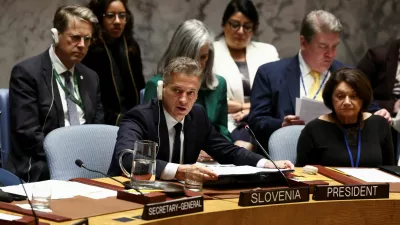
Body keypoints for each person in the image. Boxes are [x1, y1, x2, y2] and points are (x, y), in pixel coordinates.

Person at [108, 57, 293, 180]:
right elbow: (127, 159)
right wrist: (179, 171)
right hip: (128, 195)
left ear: (197, 95)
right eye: (177, 91)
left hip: (176, 197)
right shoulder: (139, 117)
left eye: (190, 93)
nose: (183, 100)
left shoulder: (197, 116)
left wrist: (266, 163)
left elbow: (227, 150)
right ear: (161, 89)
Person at [248, 10, 390, 153]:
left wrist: (380, 114)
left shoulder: (349, 74)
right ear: (303, 43)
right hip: (288, 156)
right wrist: (282, 124)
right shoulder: (270, 74)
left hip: (339, 156)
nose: (331, 54)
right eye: (323, 46)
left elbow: (370, 109)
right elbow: (256, 122)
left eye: (334, 46)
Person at [7, 5, 104, 182]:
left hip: (84, 163)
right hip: (41, 163)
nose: (82, 45)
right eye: (75, 37)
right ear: (56, 35)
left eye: (87, 39)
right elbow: (27, 134)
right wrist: (65, 158)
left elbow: (97, 125)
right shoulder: (27, 73)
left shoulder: (91, 77)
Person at [143, 19, 232, 144]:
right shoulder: (157, 84)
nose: (198, 65)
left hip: (211, 159)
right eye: (192, 57)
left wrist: (214, 149)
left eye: (203, 57)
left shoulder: (219, 84)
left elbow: (223, 133)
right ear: (179, 55)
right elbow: (147, 135)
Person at [213, 0, 279, 149]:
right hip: (227, 121)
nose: (241, 31)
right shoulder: (211, 52)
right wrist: (247, 106)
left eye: (247, 26)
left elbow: (276, 95)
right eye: (235, 24)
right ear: (224, 24)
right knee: (242, 147)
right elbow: (212, 100)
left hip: (261, 119)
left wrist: (251, 110)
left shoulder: (267, 52)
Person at [296, 68, 394, 167]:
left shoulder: (379, 125)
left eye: (354, 96)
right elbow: (301, 175)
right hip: (330, 183)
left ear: (363, 98)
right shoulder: (313, 129)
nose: (347, 102)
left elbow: (391, 171)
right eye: (340, 96)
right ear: (330, 98)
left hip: (375, 182)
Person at [83, 0, 145, 125]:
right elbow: (89, 98)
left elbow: (140, 87)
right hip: (103, 122)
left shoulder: (131, 46)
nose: (117, 21)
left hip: (133, 118)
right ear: (100, 18)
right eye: (110, 16)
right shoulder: (91, 50)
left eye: (122, 16)